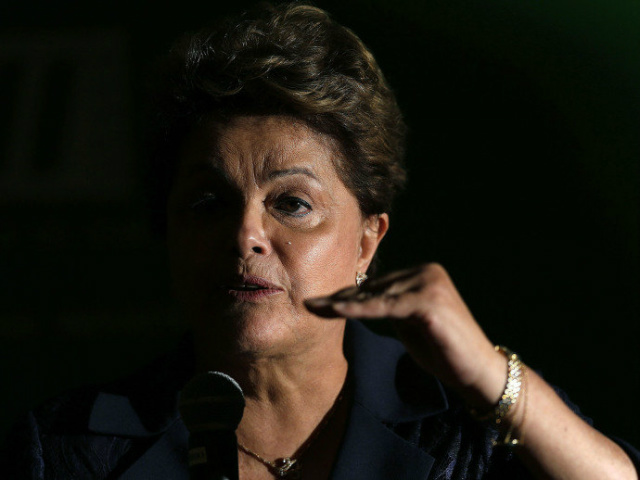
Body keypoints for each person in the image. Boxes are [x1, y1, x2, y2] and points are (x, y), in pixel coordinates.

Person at [2, 3, 639, 479]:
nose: (245, 234)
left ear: (368, 242)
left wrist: (488, 376)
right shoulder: (67, 448)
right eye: (207, 203)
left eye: (292, 204)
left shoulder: (457, 426)